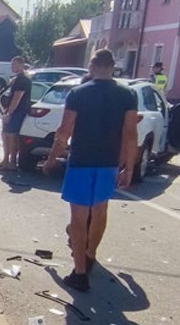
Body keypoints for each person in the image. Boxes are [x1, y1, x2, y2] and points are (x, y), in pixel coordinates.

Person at [43, 49, 138, 292]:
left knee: (78, 218)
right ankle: (90, 255)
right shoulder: (127, 95)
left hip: (82, 161)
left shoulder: (78, 93)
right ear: (112, 67)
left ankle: (80, 272)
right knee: (100, 212)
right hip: (108, 162)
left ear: (92, 66)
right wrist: (129, 166)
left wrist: (52, 157)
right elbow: (130, 134)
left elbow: (64, 132)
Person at [0, 56, 31, 170]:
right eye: (12, 64)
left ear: (21, 65)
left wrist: (9, 113)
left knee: (12, 136)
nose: (12, 67)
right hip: (10, 110)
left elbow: (17, 98)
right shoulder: (15, 79)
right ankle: (5, 160)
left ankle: (12, 163)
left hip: (17, 112)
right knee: (5, 134)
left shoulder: (23, 80)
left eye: (15, 64)